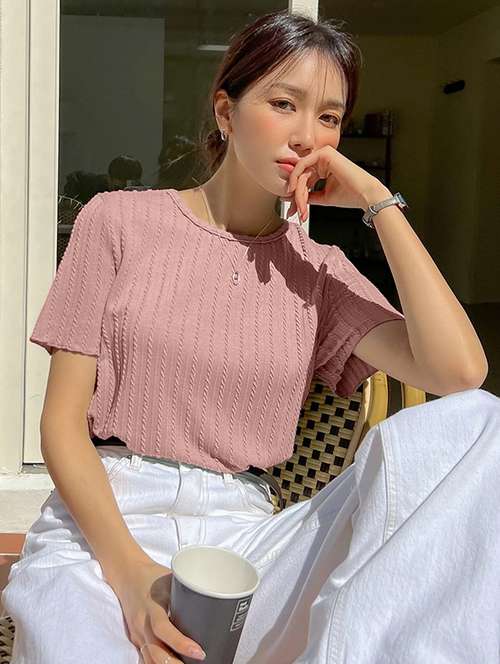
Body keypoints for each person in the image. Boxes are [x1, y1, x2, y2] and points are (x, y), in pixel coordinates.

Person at [2, 9, 497, 664]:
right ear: (226, 112)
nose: (307, 136)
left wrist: (378, 201)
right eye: (283, 103)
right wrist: (131, 576)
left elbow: (460, 375)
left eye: (329, 117)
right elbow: (61, 425)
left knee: (481, 426)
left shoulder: (319, 272)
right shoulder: (116, 222)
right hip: (104, 524)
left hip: (247, 536)